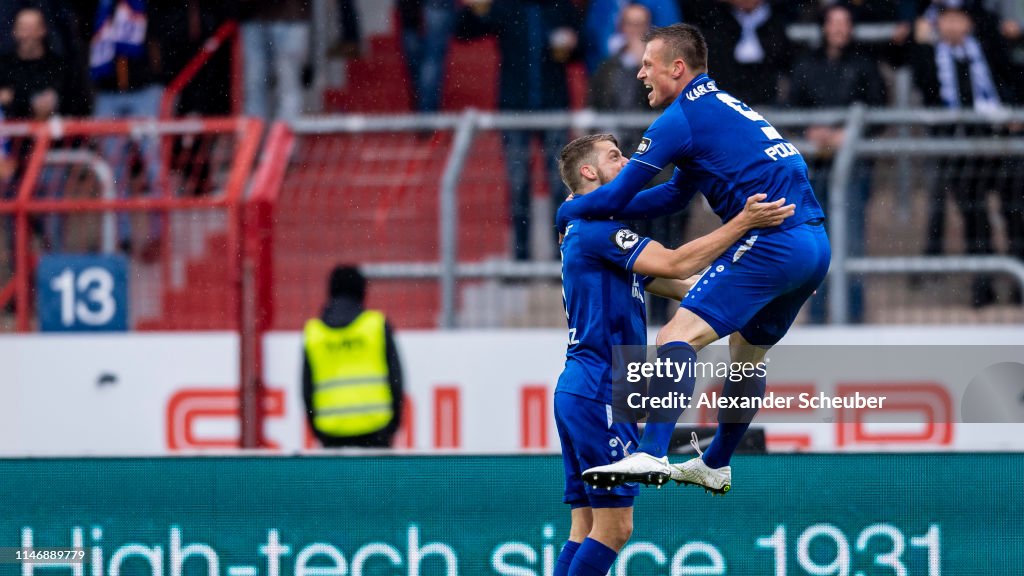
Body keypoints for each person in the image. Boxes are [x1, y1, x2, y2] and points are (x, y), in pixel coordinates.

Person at [555, 23, 830, 494]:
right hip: (812, 242)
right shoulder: (717, 108)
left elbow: (620, 193)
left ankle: (653, 452)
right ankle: (717, 461)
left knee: (677, 334)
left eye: (648, 64)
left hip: (771, 238)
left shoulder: (677, 120)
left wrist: (568, 211)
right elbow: (671, 198)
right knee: (747, 354)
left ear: (676, 68)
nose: (641, 72)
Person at [553, 133, 793, 576]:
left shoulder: (587, 232)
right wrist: (742, 223)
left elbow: (686, 287)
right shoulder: (598, 232)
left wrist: (771, 287)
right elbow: (679, 263)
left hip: (584, 389)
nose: (626, 161)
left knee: (584, 526)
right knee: (614, 529)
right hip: (599, 389)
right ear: (589, 172)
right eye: (613, 156)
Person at [908, 0, 1019, 307]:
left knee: (1014, 214)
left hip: (1000, 140)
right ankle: (982, 287)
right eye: (947, 19)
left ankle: (1018, 286)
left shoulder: (988, 48)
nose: (953, 25)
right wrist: (919, 44)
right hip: (959, 147)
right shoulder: (930, 55)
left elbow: (1010, 79)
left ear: (970, 22)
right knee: (974, 218)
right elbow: (925, 84)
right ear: (937, 23)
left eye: (959, 18)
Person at [789, 4, 887, 323]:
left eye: (845, 22)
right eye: (834, 22)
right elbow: (790, 107)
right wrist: (809, 131)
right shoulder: (806, 64)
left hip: (853, 167)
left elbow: (878, 111)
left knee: (852, 240)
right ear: (824, 27)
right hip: (813, 166)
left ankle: (854, 316)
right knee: (817, 243)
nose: (839, 28)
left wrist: (850, 134)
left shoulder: (864, 64)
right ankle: (818, 317)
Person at [302, 265, 404, 448]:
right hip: (376, 430)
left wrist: (318, 430)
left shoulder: (314, 332)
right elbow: (396, 379)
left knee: (338, 479)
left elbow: (306, 389)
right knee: (376, 478)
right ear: (362, 291)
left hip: (331, 432)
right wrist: (392, 425)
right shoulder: (376, 325)